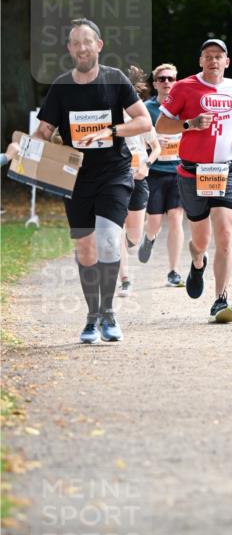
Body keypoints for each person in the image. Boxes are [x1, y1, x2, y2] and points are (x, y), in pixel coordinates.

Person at [31, 18, 152, 343]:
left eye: (88, 41)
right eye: (76, 43)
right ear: (70, 49)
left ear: (98, 45)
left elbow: (143, 121)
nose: (82, 47)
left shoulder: (115, 80)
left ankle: (109, 313)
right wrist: (22, 146)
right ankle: (92, 315)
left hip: (114, 172)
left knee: (110, 240)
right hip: (75, 177)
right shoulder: (61, 87)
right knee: (86, 250)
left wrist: (111, 131)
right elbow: (43, 132)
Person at [155, 39, 232, 323]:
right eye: (208, 56)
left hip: (227, 170)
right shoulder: (183, 87)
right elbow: (161, 125)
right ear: (200, 61)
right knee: (201, 240)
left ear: (227, 62)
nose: (213, 61)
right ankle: (198, 263)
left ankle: (221, 300)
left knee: (224, 235)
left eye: (218, 56)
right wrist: (190, 124)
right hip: (193, 172)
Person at [138, 63, 186, 286]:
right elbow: (135, 135)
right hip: (155, 171)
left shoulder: (183, 106)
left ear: (176, 82)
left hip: (178, 170)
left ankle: (174, 271)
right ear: (155, 83)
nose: (167, 82)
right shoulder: (146, 109)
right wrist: (154, 140)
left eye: (170, 79)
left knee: (176, 217)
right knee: (154, 222)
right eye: (162, 79)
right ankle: (149, 238)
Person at [118, 66, 161, 296]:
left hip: (139, 177)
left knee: (133, 236)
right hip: (115, 179)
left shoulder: (141, 115)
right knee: (116, 229)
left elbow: (156, 148)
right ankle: (125, 279)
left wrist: (146, 165)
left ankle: (134, 242)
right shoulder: (109, 113)